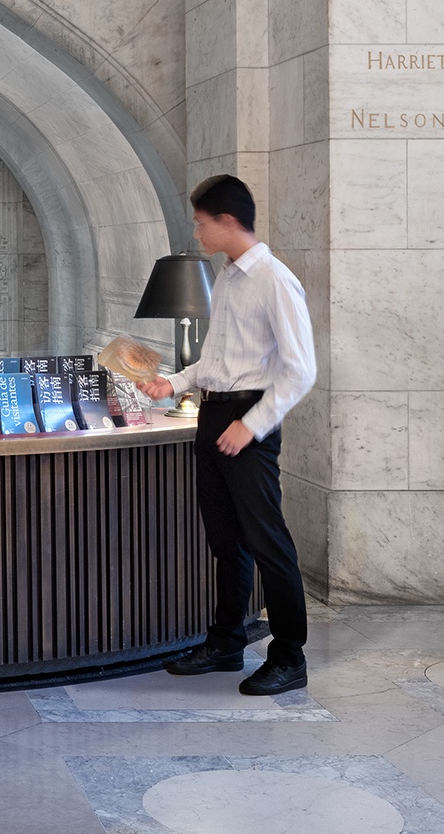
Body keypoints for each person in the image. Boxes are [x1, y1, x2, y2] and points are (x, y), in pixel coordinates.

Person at [137, 173, 316, 695]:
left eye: (201, 223)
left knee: (269, 544)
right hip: (215, 418)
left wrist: (253, 424)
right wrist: (169, 382)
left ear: (228, 221)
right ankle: (225, 643)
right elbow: (215, 362)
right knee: (225, 540)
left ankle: (289, 656)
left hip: (248, 424)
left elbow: (301, 370)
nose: (197, 234)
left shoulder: (275, 279)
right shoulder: (231, 276)